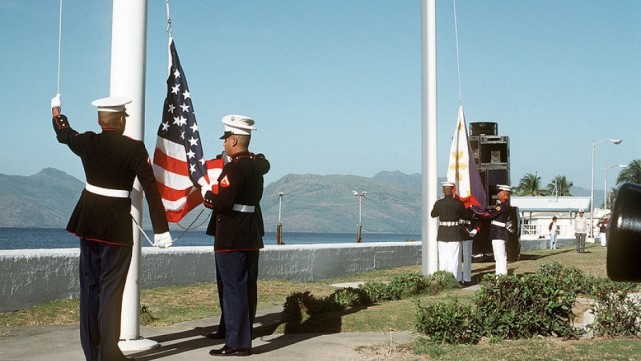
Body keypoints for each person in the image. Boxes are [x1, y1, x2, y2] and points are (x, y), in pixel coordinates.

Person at [50, 94, 172, 361]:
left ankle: (93, 354)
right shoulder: (134, 149)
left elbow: (64, 134)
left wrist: (57, 112)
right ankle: (108, 353)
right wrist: (160, 229)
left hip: (88, 220)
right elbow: (150, 189)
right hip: (115, 226)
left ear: (99, 119)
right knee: (111, 291)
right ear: (120, 120)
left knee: (90, 289)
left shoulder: (88, 142)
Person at [202, 115, 269, 357]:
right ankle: (239, 335)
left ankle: (237, 343)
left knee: (233, 289)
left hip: (231, 235)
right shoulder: (255, 166)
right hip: (250, 232)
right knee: (246, 288)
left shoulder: (234, 167)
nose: (223, 144)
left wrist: (207, 194)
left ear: (234, 141)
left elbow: (223, 202)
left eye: (226, 139)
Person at [430, 182, 468, 280]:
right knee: (454, 258)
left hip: (443, 232)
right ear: (453, 190)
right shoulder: (458, 203)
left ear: (443, 191)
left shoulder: (439, 203)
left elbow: (433, 214)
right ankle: (453, 279)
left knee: (443, 258)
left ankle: (443, 280)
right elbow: (466, 215)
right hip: (454, 232)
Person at [482, 185, 513, 275]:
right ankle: (499, 276)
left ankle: (502, 276)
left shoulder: (503, 206)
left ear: (503, 193)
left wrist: (482, 214)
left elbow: (491, 216)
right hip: (497, 233)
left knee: (501, 256)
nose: (498, 195)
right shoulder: (502, 205)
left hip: (498, 233)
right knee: (498, 256)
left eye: (499, 193)